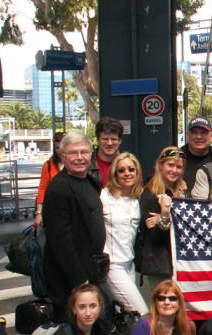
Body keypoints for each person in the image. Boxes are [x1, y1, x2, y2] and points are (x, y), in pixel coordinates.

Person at [43, 132, 105, 320]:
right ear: (62, 156)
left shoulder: (91, 182)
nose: (79, 158)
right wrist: (79, 280)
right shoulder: (59, 188)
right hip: (71, 281)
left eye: (84, 152)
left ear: (91, 155)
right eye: (73, 153)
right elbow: (60, 242)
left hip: (91, 272)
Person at [100, 152, 148, 315]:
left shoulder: (138, 197)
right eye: (121, 170)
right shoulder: (104, 196)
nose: (127, 173)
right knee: (142, 314)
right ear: (115, 174)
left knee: (124, 317)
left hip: (130, 264)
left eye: (131, 169)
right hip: (111, 265)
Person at [137, 146, 185, 294]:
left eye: (179, 167)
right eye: (170, 165)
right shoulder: (149, 195)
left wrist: (166, 219)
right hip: (159, 266)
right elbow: (155, 238)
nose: (174, 170)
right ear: (160, 165)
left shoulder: (180, 193)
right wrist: (164, 214)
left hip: (177, 263)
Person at [34, 130, 66, 226]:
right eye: (57, 148)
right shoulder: (48, 166)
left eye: (62, 147)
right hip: (53, 212)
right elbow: (42, 189)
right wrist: (39, 213)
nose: (60, 151)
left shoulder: (75, 164)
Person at [181, 116, 212, 192]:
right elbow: (156, 182)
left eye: (204, 132)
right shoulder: (175, 157)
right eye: (194, 132)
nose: (199, 136)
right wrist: (171, 183)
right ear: (188, 135)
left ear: (211, 136)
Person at [89, 117, 123, 187]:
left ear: (120, 141)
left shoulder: (128, 165)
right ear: (98, 140)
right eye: (105, 139)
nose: (109, 143)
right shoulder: (86, 165)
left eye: (113, 139)